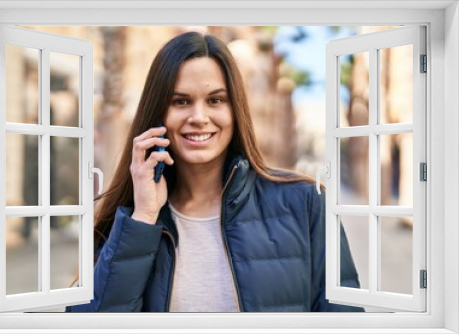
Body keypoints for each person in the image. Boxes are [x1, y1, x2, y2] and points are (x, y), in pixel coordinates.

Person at [67, 31, 363, 313]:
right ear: (158, 114)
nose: (198, 117)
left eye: (215, 100)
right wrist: (143, 217)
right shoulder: (130, 219)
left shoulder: (306, 204)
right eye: (180, 101)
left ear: (235, 111)